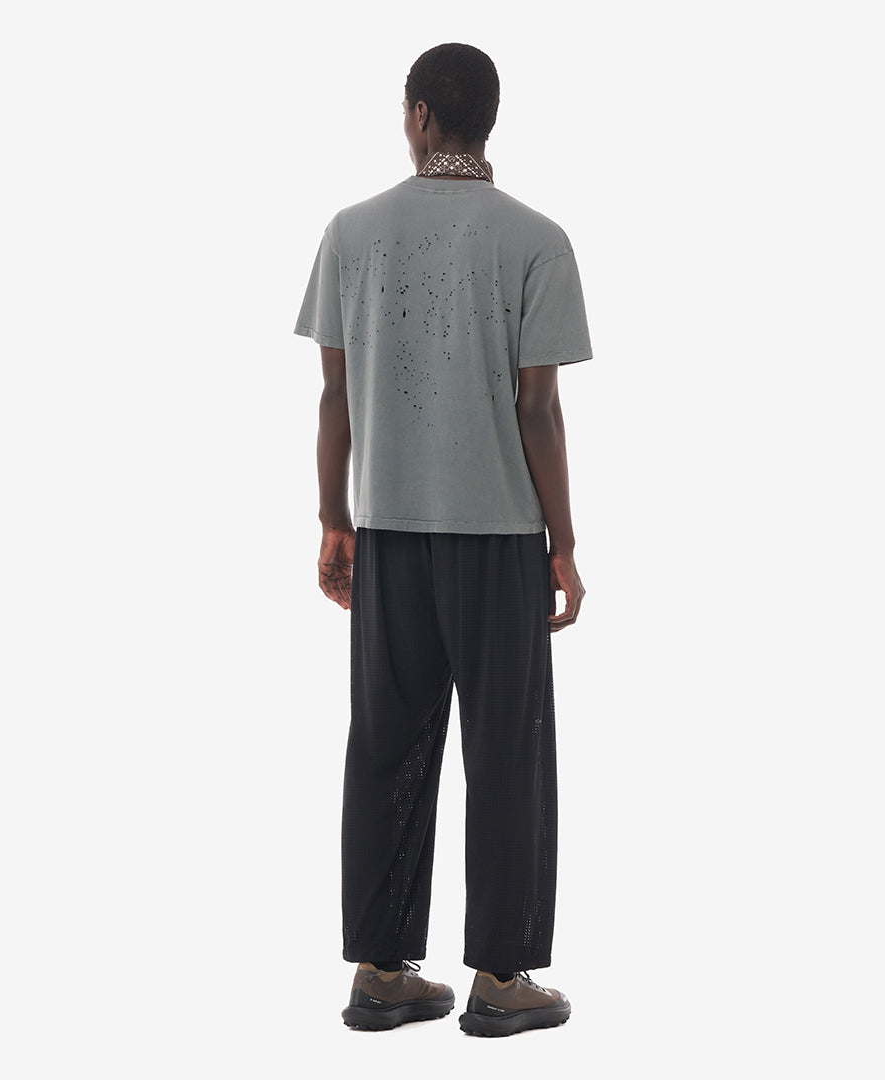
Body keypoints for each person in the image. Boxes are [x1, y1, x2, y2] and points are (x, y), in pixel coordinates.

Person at [293, 42, 592, 1037]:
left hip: (387, 529)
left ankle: (382, 970)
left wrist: (334, 519)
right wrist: (563, 542)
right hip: (498, 535)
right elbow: (538, 409)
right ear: (487, 119)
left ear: (419, 114)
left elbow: (334, 395)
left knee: (387, 744)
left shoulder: (351, 232)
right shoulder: (537, 240)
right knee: (507, 752)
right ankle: (501, 980)